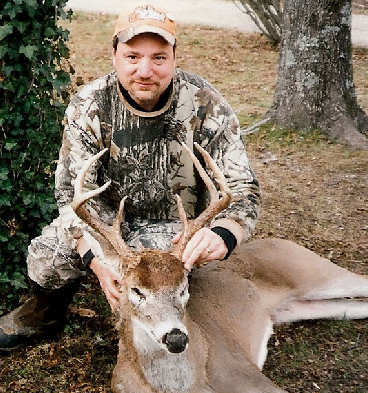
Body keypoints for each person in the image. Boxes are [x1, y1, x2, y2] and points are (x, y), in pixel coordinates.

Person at [0, 4, 260, 351]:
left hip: (174, 231)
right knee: (48, 258)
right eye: (132, 56)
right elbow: (70, 195)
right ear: (114, 55)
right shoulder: (89, 106)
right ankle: (44, 314)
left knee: (168, 278)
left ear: (174, 57)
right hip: (106, 228)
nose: (145, 70)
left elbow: (242, 187)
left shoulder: (203, 103)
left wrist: (226, 233)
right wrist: (95, 260)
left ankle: (163, 318)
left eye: (158, 58)